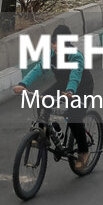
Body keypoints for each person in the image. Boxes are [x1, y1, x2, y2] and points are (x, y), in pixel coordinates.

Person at [14, 24, 94, 169]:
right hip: (63, 85)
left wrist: (70, 92)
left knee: (74, 118)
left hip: (82, 88)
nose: (55, 46)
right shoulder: (51, 56)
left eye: (59, 43)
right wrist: (23, 84)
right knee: (42, 99)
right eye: (53, 42)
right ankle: (42, 135)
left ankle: (84, 151)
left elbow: (75, 76)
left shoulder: (75, 56)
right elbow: (38, 69)